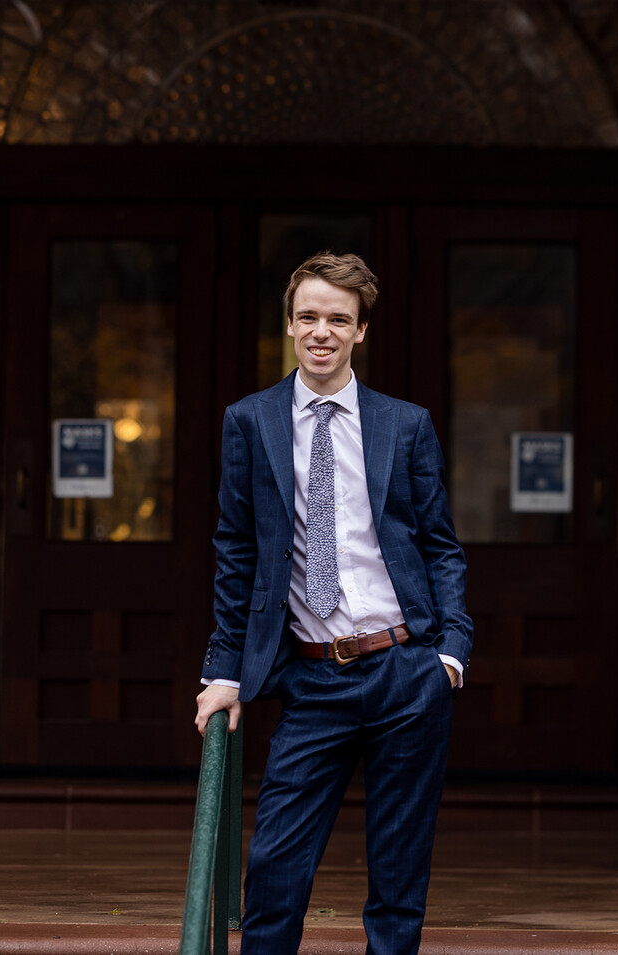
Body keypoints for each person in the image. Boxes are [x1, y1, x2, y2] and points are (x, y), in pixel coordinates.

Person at [194, 251, 472, 955]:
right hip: (312, 676)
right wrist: (222, 670)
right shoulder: (250, 422)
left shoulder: (404, 424)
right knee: (276, 864)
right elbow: (237, 552)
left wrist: (450, 653)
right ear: (290, 324)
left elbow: (441, 543)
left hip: (405, 668)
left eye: (338, 319)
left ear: (360, 331)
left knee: (399, 870)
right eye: (310, 316)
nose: (323, 330)